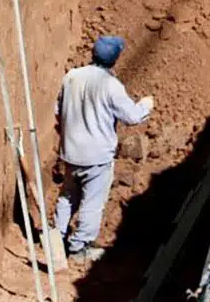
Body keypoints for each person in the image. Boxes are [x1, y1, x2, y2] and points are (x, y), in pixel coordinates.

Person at [49, 35, 153, 262]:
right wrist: (146, 105)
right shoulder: (110, 85)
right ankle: (79, 248)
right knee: (92, 202)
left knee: (68, 196)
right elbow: (132, 117)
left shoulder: (72, 76)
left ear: (93, 54)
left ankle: (56, 239)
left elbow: (58, 110)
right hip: (97, 157)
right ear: (114, 60)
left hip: (70, 152)